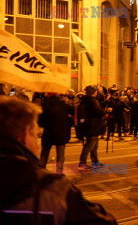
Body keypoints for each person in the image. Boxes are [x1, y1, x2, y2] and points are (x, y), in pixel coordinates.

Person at [0, 96, 117, 224]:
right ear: (25, 135)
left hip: (49, 137)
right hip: (60, 136)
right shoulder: (51, 187)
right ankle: (58, 169)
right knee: (60, 155)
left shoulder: (47, 107)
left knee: (45, 153)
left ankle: (43, 165)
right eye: (35, 133)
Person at [38, 93, 74, 174]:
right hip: (61, 133)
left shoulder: (44, 105)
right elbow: (72, 110)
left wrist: (46, 125)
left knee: (44, 153)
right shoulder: (63, 104)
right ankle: (59, 172)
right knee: (60, 154)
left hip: (48, 133)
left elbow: (40, 121)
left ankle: (41, 170)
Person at [78, 85, 106, 170]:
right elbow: (98, 111)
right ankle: (82, 163)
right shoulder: (92, 101)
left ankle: (95, 161)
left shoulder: (84, 100)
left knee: (94, 146)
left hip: (89, 126)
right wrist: (106, 111)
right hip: (93, 126)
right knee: (89, 145)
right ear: (93, 92)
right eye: (96, 91)